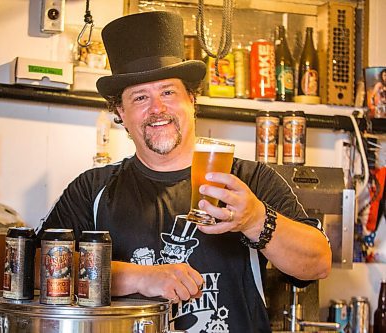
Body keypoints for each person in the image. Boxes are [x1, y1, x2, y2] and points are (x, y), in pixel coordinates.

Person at [37, 11, 331, 332]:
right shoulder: (92, 189)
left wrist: (254, 219)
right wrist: (139, 277)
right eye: (140, 97)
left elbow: (317, 263)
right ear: (120, 111)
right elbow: (37, 266)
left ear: (192, 99)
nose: (157, 108)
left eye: (168, 92)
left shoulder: (249, 181)